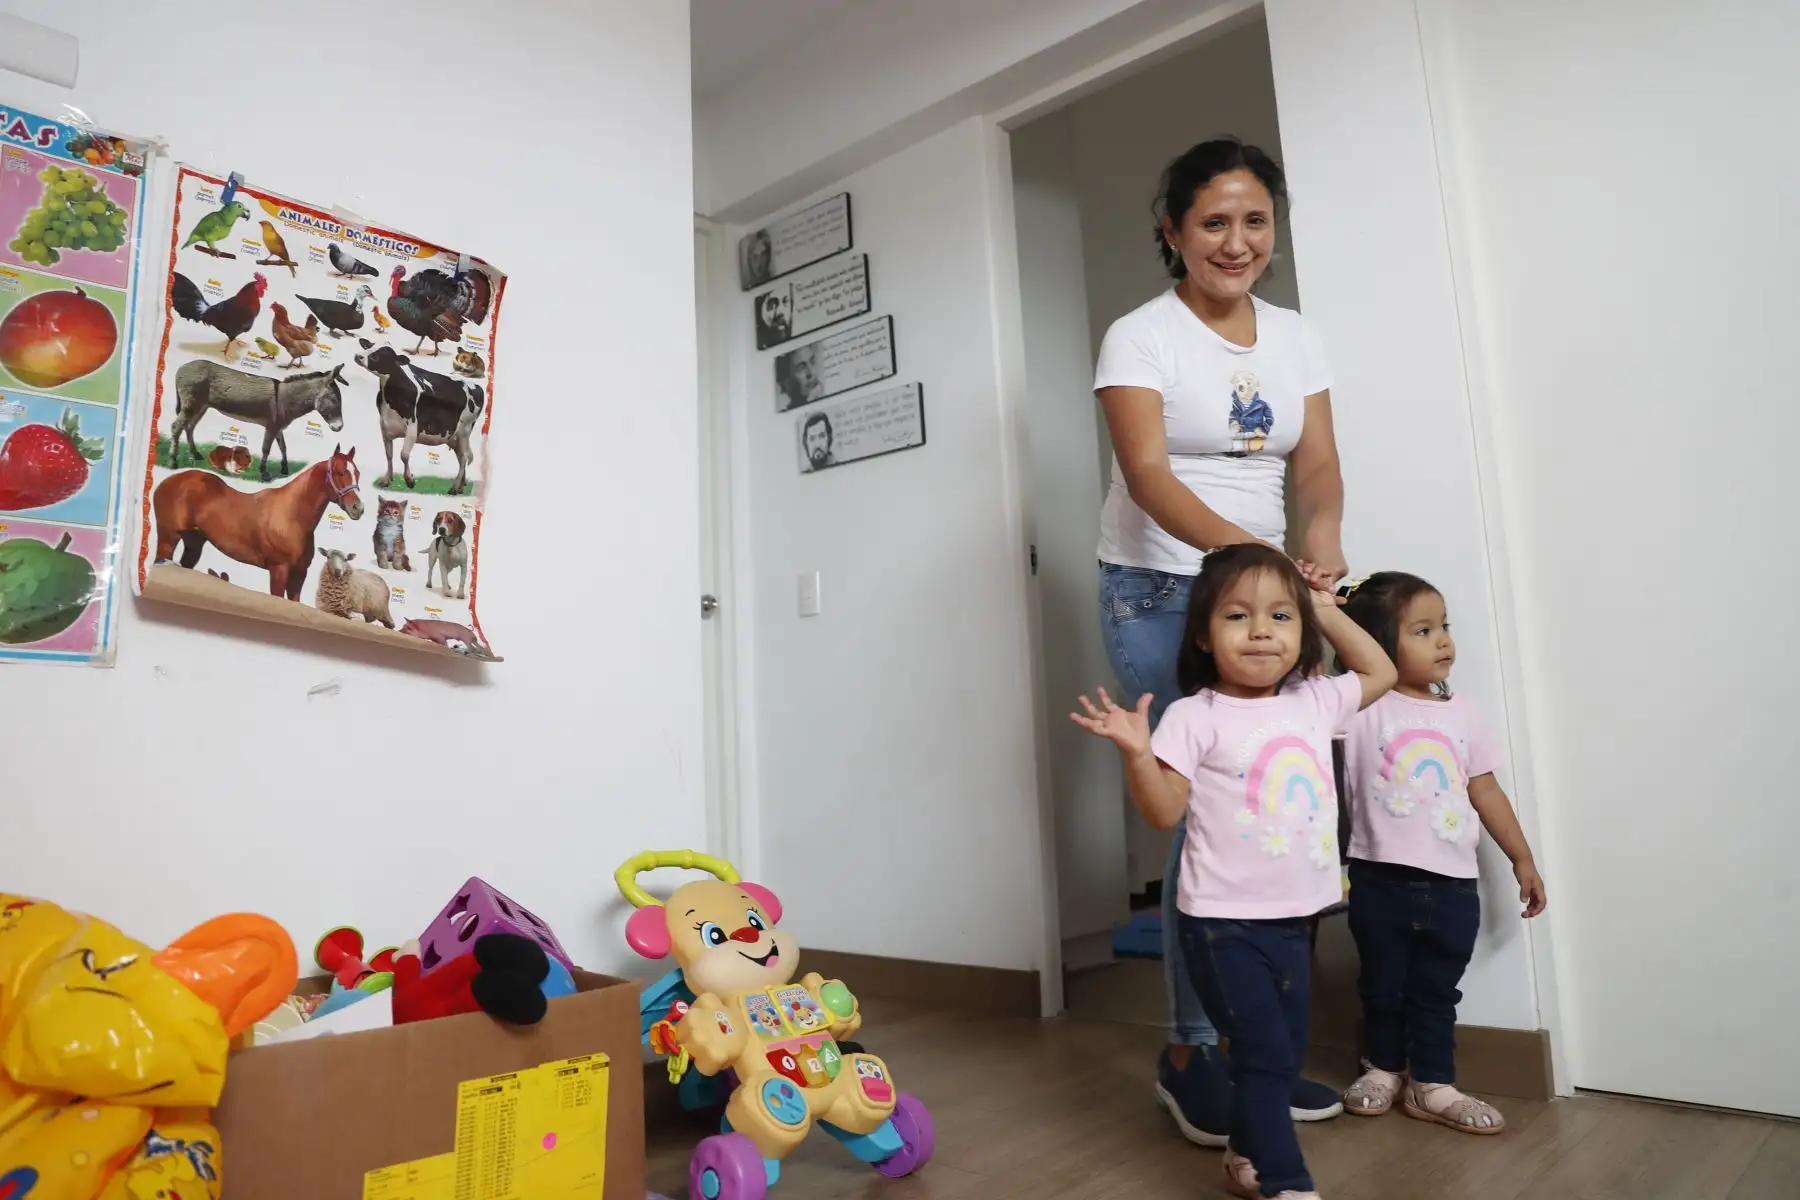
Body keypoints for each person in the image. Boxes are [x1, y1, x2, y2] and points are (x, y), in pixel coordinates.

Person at [1092, 136, 1349, 1143]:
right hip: (1158, 588)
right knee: (1205, 827)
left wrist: (1314, 541)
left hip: (1261, 594)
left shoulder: (1295, 337)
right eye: (1213, 222)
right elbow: (1150, 477)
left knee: (1273, 815)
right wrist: (1262, 564)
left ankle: (1263, 1051)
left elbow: (1318, 466)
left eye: (1254, 222)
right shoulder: (1139, 337)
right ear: (1173, 232)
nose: (1236, 241)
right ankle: (1195, 1053)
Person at [1073, 544, 1396, 1200]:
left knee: (1283, 1047)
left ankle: (1245, 1153)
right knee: (1262, 1053)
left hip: (1294, 921)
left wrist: (1320, 608)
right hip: (1221, 925)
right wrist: (1139, 755)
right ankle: (1286, 1182)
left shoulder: (1313, 701)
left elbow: (1380, 669)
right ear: (1202, 633)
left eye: (1280, 617)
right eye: (1237, 616)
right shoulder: (1196, 716)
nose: (1260, 631)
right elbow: (1166, 812)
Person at [1334, 572, 1547, 1134]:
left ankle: (1432, 1084)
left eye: (1444, 626)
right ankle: (1383, 1066)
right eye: (1423, 630)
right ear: (1377, 644)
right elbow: (1311, 677)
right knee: (1381, 982)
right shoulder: (1358, 708)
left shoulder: (1462, 712)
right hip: (1378, 879)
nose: (1444, 641)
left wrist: (1521, 857)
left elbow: (1485, 788)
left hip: (1454, 885)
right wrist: (1326, 607)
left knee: (1434, 990)